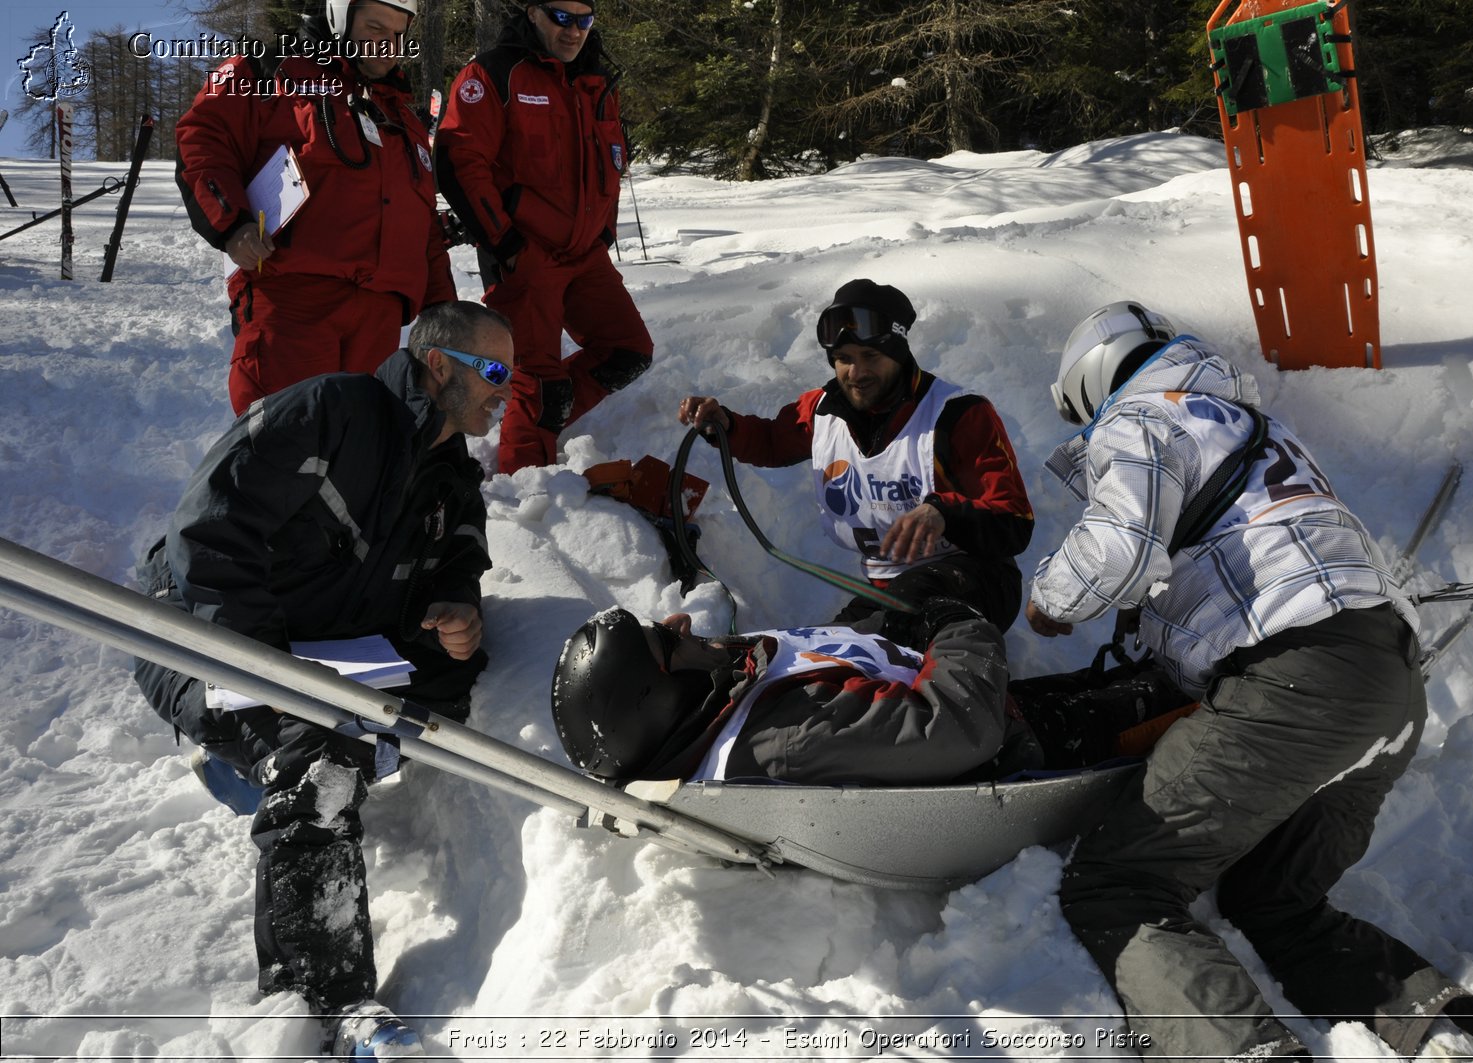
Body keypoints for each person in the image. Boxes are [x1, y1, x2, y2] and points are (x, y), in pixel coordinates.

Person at [1026, 301, 1473, 1061]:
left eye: (1083, 408)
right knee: (1272, 896)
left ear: (1097, 379)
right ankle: (1429, 1030)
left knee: (1116, 881)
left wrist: (1049, 600)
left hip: (1294, 683)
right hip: (1392, 685)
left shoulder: (1141, 417)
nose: (1090, 424)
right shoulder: (1252, 429)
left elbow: (1118, 547)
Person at [131, 301, 512, 1056]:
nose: (507, 391)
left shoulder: (447, 472)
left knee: (429, 703)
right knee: (321, 761)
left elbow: (462, 540)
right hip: (198, 633)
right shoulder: (333, 411)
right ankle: (329, 999)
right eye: (494, 371)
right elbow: (207, 527)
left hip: (322, 647)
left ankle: (249, 761)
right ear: (438, 364)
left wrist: (457, 602)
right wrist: (267, 668)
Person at [678, 279, 1034, 630]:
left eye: (870, 357)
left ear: (898, 354)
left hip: (976, 580)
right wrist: (727, 426)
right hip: (892, 591)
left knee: (897, 621)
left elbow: (1013, 520)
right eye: (843, 359)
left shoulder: (956, 414)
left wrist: (944, 513)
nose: (856, 372)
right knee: (829, 650)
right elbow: (772, 441)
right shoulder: (821, 410)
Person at [175, 0, 457, 415]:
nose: (387, 45)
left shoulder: (401, 117)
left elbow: (423, 227)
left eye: (397, 35)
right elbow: (202, 140)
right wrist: (232, 224)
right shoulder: (267, 71)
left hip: (379, 320)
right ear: (338, 20)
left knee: (355, 462)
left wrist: (443, 312)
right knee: (283, 452)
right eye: (375, 28)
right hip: (291, 301)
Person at [434, 0, 653, 473]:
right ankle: (528, 498)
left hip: (585, 254)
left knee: (628, 351)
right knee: (539, 383)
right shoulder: (494, 73)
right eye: (561, 17)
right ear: (532, 12)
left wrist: (604, 233)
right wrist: (506, 244)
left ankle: (536, 422)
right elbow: (459, 162)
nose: (574, 30)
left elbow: (608, 166)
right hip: (525, 257)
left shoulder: (596, 80)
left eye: (584, 19)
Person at [550, 599, 1041, 785]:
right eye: (665, 638)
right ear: (659, 695)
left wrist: (881, 622)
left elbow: (808, 648)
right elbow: (952, 727)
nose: (680, 620)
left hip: (979, 692)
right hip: (1025, 737)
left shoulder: (725, 682)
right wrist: (959, 627)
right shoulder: (790, 738)